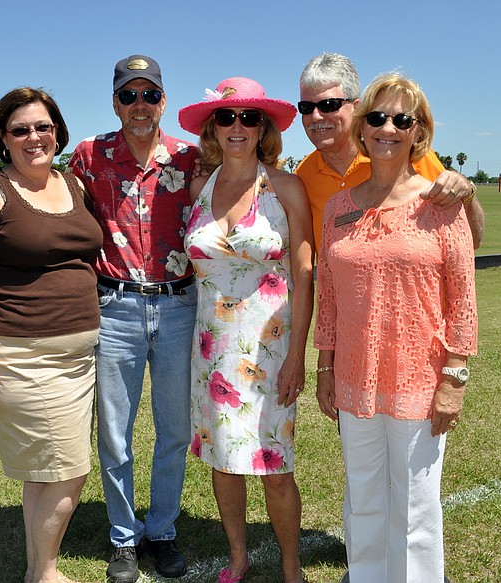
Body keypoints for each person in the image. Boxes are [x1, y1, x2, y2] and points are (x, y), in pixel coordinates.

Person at [314, 72, 478, 583]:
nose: (388, 127)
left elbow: (463, 297)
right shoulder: (339, 207)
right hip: (354, 379)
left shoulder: (440, 204)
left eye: (401, 119)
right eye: (378, 117)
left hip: (419, 381)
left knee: (415, 511)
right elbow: (330, 295)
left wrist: (455, 378)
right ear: (361, 128)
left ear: (418, 132)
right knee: (363, 499)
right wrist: (325, 364)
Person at [0, 87, 101, 583]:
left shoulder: (72, 184)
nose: (34, 137)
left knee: (44, 470)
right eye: (20, 129)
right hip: (23, 355)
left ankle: (38, 569)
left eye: (43, 126)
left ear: (58, 131)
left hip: (79, 356)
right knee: (67, 468)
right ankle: (48, 572)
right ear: (2, 138)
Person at [66, 55, 198, 583]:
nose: (139, 106)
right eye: (129, 95)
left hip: (179, 306)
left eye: (149, 95)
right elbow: (55, 208)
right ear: (115, 101)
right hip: (114, 307)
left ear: (163, 100)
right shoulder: (89, 156)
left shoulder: (191, 159)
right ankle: (124, 536)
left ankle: (162, 531)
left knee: (173, 430)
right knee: (115, 434)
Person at [178, 77, 314, 583]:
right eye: (227, 117)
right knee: (223, 459)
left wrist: (298, 354)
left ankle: (291, 566)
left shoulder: (285, 187)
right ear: (213, 127)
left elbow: (303, 273)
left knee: (275, 464)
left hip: (271, 348)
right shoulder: (199, 188)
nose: (238, 127)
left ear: (265, 128)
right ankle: (238, 557)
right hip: (211, 348)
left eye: (249, 118)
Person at [295, 53, 485, 254]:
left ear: (357, 107)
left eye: (328, 105)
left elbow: (471, 239)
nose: (315, 116)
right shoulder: (303, 174)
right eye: (306, 107)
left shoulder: (408, 155)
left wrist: (466, 194)